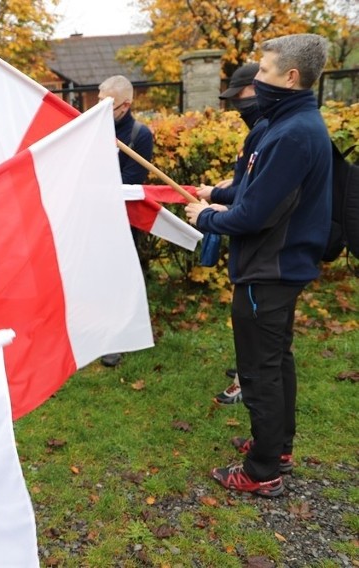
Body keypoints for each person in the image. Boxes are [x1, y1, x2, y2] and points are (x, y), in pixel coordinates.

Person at [185, 34, 332, 497]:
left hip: (267, 270)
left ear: (291, 77)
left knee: (258, 370)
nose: (258, 81)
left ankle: (262, 468)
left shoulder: (293, 134)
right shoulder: (289, 125)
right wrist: (217, 193)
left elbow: (253, 215)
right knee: (277, 361)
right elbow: (257, 188)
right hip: (278, 268)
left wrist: (205, 217)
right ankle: (277, 446)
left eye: (265, 72)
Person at [196, 63, 266, 406]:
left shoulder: (272, 130)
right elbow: (249, 187)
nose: (238, 107)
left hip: (265, 256)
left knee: (254, 324)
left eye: (240, 98)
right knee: (248, 322)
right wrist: (223, 190)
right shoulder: (262, 128)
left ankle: (246, 380)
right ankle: (246, 368)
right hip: (254, 251)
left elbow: (256, 203)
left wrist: (212, 215)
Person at [97, 75, 155, 367]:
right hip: (92, 215)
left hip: (122, 219)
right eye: (98, 101)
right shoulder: (92, 129)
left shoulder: (139, 135)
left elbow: (132, 180)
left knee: (120, 276)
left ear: (125, 105)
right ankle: (99, 329)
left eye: (106, 104)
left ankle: (119, 337)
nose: (99, 109)